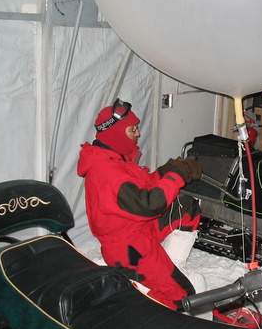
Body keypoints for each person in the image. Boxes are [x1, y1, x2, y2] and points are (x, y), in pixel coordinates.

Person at [77, 98, 203, 310]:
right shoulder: (107, 172)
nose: (137, 134)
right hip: (128, 246)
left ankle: (171, 266)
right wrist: (177, 175)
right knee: (182, 297)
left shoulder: (115, 158)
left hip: (140, 227)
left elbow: (141, 188)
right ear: (115, 132)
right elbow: (149, 204)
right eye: (132, 130)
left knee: (187, 207)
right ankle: (135, 278)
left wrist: (166, 171)